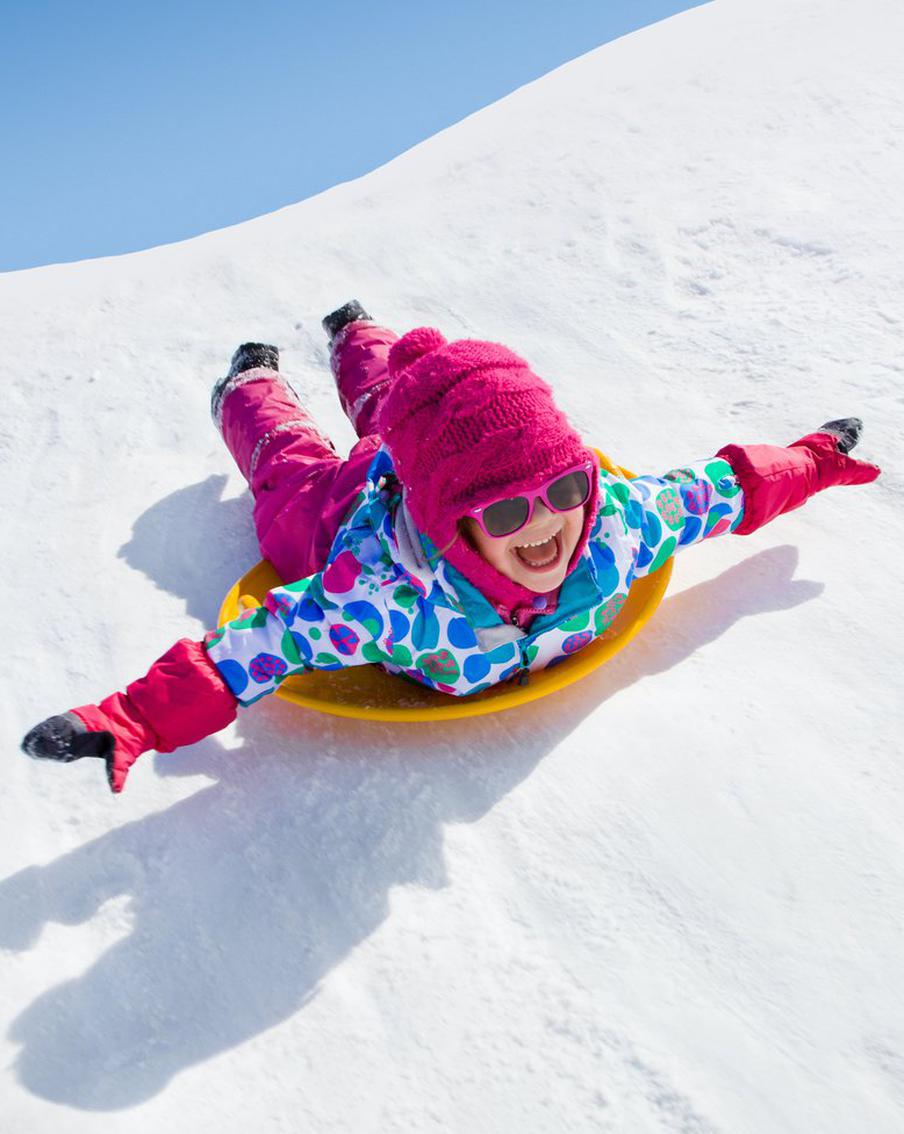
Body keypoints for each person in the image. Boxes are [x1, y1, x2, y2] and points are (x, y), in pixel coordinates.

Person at [21, 301, 881, 793]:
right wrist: (133, 716)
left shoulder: (613, 523)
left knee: (405, 398)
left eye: (565, 491)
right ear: (452, 524)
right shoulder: (384, 595)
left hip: (425, 467)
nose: (546, 526)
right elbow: (257, 646)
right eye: (507, 515)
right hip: (340, 512)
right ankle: (248, 382)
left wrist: (815, 457)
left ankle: (357, 333)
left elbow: (721, 490)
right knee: (291, 470)